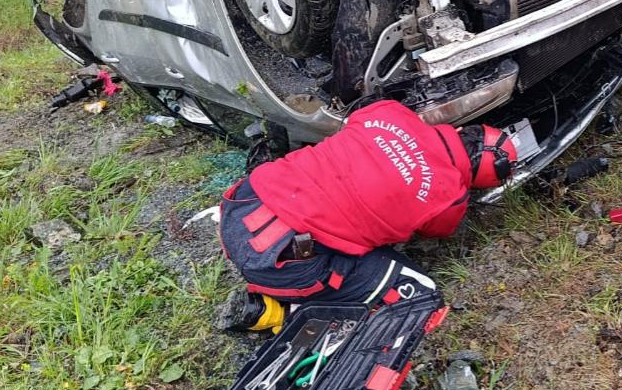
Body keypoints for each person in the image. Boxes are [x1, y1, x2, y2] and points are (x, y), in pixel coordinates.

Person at [216, 99, 517, 333]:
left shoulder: (389, 111)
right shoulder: (450, 197)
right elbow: (436, 230)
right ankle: (276, 313)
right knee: (419, 293)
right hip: (278, 261)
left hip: (240, 205)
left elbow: (354, 120)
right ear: (474, 183)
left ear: (462, 129)